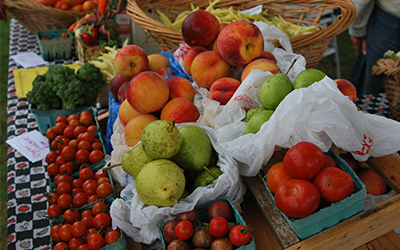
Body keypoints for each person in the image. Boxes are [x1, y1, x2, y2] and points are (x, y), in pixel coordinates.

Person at [348, 0, 400, 98]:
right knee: (373, 92)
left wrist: (356, 27)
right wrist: (357, 27)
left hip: (390, 21)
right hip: (390, 20)